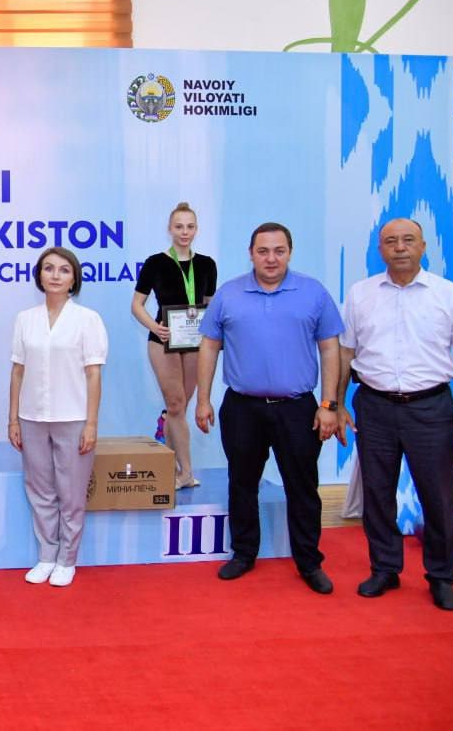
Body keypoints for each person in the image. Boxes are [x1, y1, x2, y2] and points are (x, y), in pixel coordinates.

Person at [336, 218, 453, 611]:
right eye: (390, 241)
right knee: (377, 495)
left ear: (423, 246)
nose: (399, 247)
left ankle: (441, 576)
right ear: (380, 250)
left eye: (408, 240)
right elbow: (346, 353)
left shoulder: (449, 294)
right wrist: (336, 404)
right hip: (375, 406)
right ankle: (385, 568)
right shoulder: (360, 294)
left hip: (431, 409)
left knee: (437, 497)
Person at [195, 222, 342, 594]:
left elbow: (330, 348)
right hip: (242, 408)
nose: (271, 258)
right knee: (242, 483)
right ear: (251, 254)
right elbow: (209, 346)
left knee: (303, 487)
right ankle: (244, 553)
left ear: (290, 252)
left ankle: (309, 562)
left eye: (279, 251)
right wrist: (203, 399)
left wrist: (329, 404)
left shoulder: (313, 293)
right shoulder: (228, 294)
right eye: (263, 251)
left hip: (298, 409)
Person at [8, 248, 107, 588]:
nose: (55, 275)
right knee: (40, 490)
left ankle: (67, 559)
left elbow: (93, 374)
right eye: (48, 268)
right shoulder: (25, 319)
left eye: (64, 270)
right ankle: (47, 556)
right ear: (39, 275)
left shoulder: (88, 319)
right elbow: (17, 371)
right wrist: (13, 419)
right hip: (32, 416)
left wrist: (91, 423)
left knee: (71, 493)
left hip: (73, 416)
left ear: (74, 279)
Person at [131, 202, 217, 489]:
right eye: (179, 226)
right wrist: (154, 326)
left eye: (190, 226)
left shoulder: (207, 264)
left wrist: (212, 335)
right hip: (163, 340)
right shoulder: (155, 263)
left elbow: (209, 306)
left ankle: (170, 466)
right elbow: (137, 305)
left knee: (178, 408)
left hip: (194, 343)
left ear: (196, 230)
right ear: (170, 229)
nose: (184, 232)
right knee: (176, 404)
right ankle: (186, 472)